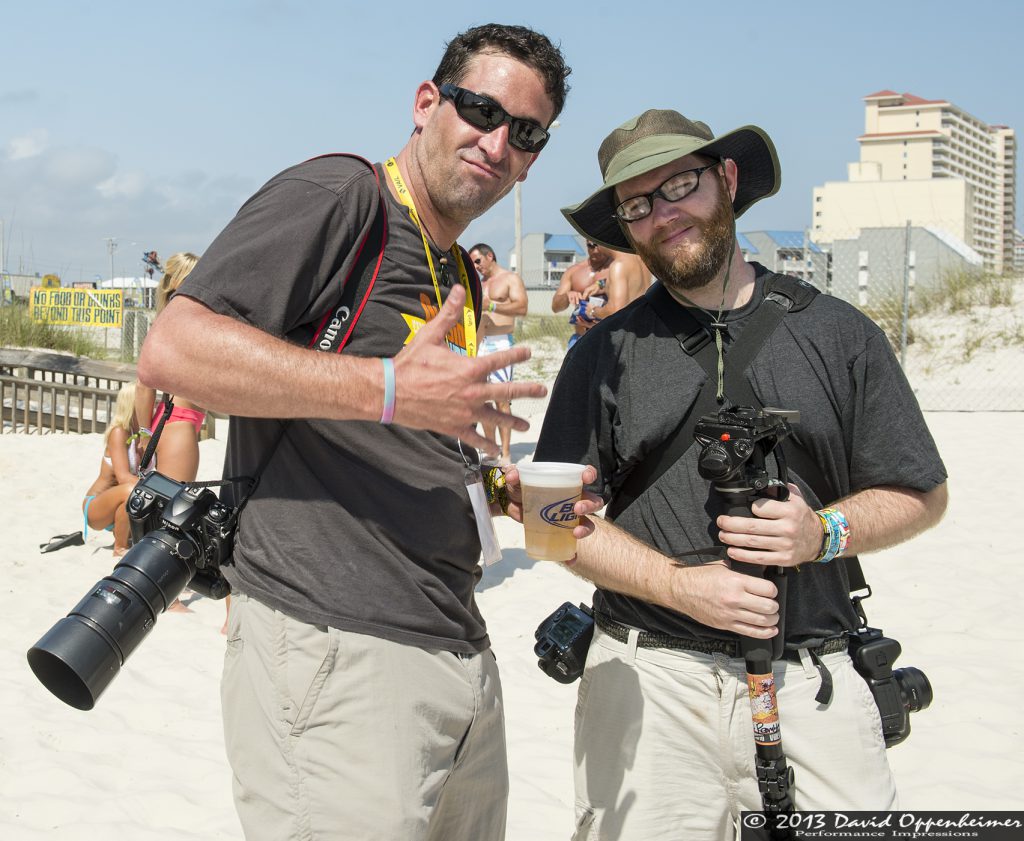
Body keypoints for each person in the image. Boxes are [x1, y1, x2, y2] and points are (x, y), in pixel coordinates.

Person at [138, 24, 574, 841]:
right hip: (338, 651)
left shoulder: (456, 271)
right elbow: (173, 348)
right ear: (426, 103)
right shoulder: (344, 198)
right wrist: (386, 388)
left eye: (525, 132)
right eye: (479, 109)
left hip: (453, 647)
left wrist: (496, 491)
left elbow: (408, 428)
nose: (496, 141)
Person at [532, 109, 949, 839]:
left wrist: (823, 532)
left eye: (681, 185)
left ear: (726, 179)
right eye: (638, 204)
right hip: (648, 685)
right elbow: (546, 518)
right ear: (625, 227)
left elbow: (920, 491)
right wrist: (678, 585)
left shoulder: (840, 333)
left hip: (813, 679)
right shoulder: (601, 354)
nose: (664, 215)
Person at [135, 252, 204, 483]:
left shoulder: (166, 325)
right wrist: (145, 435)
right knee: (170, 509)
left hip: (169, 420)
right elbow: (144, 386)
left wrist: (146, 433)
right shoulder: (182, 326)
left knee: (161, 504)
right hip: (180, 423)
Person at [469, 242, 528, 464]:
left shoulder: (510, 279)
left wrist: (491, 306)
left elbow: (522, 308)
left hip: (500, 344)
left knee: (501, 401)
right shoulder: (479, 283)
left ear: (490, 256)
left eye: (478, 261)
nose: (476, 266)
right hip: (480, 345)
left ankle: (506, 452)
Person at [551, 240, 650, 348]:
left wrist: (592, 311)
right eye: (591, 245)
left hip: (610, 338)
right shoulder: (574, 271)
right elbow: (555, 308)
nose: (596, 250)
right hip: (581, 339)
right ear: (586, 243)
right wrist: (567, 296)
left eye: (597, 244)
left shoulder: (617, 266)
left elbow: (616, 308)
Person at [82, 382, 141, 555]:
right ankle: (119, 547)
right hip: (96, 506)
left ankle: (126, 538)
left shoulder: (141, 434)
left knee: (137, 491)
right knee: (133, 490)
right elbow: (123, 477)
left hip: (120, 506)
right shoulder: (119, 432)